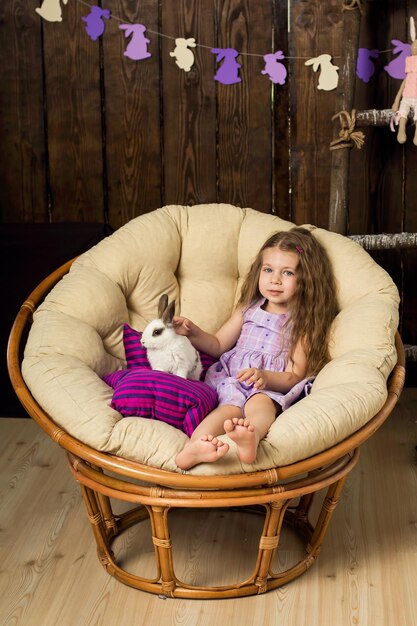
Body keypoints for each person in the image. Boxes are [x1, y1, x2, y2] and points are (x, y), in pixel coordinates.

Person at [173, 227, 338, 470]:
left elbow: (296, 375)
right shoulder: (247, 309)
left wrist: (265, 377)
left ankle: (250, 438)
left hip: (268, 387)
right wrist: (193, 332)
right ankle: (194, 448)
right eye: (268, 269)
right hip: (234, 380)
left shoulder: (303, 323)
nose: (275, 280)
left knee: (260, 407)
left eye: (288, 273)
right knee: (223, 412)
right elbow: (218, 345)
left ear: (306, 279)